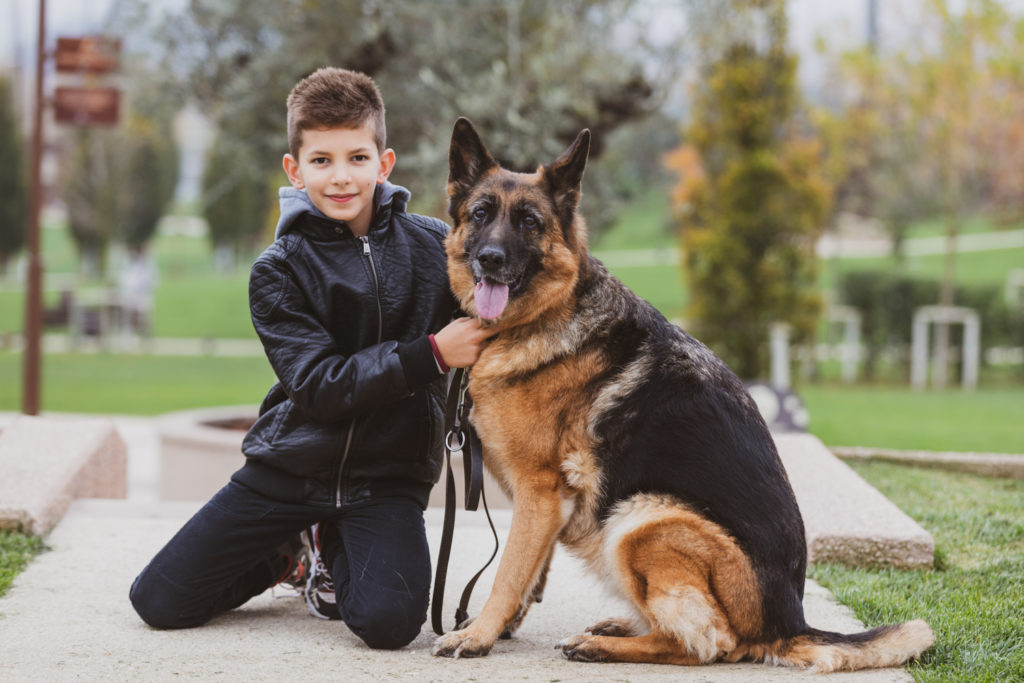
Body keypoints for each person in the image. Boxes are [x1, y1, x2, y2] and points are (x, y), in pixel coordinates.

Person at [129, 67, 493, 649]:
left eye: (357, 158)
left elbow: (506, 290)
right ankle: (290, 554)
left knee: (390, 624)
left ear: (384, 163)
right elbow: (321, 387)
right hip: (291, 469)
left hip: (387, 476)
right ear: (295, 170)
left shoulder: (435, 246)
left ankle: (333, 545)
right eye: (322, 160)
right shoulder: (279, 270)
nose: (341, 176)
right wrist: (431, 355)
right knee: (159, 601)